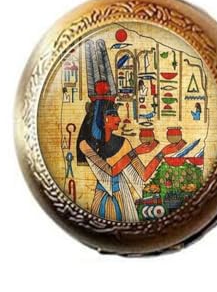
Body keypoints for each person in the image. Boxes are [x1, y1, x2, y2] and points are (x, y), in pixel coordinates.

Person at [77, 85, 185, 222]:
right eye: (113, 115)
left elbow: (143, 175)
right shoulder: (85, 145)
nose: (119, 120)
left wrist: (163, 153)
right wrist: (135, 152)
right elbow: (110, 172)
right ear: (101, 118)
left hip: (122, 195)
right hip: (103, 196)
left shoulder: (123, 142)